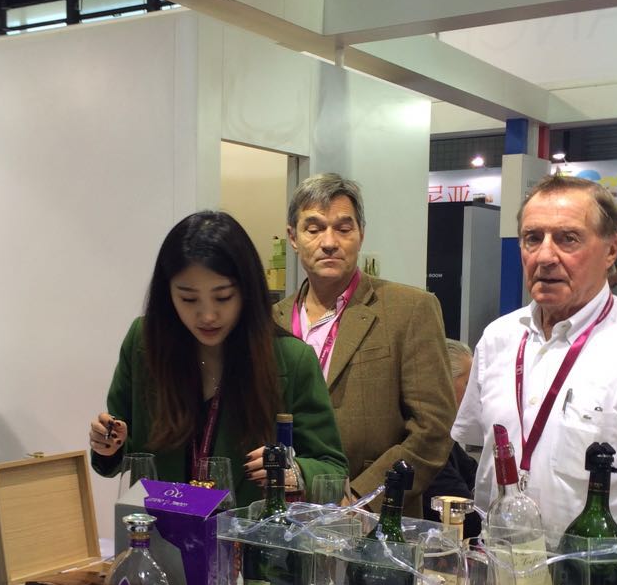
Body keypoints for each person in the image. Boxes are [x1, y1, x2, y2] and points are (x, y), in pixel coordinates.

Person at [454, 174, 617, 585]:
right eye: (533, 238)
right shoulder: (499, 339)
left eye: (568, 239)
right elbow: (473, 450)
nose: (545, 255)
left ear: (612, 249)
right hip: (501, 576)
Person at [89, 210, 348, 505]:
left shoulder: (291, 359)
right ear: (167, 294)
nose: (208, 315)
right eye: (188, 298)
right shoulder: (145, 343)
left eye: (223, 297)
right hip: (161, 526)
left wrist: (294, 471)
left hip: (245, 531)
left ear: (247, 291)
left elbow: (333, 468)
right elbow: (125, 444)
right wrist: (108, 444)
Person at [275, 173, 455, 513]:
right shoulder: (271, 321)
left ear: (361, 234)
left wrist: (361, 498)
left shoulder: (409, 309)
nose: (329, 242)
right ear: (293, 237)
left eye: (343, 229)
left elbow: (433, 429)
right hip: (283, 511)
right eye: (314, 229)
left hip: (373, 517)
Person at [423, 340, 480, 538]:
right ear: (443, 384)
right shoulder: (427, 443)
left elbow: (476, 478)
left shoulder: (446, 438)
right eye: (468, 384)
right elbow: (469, 519)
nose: (476, 395)